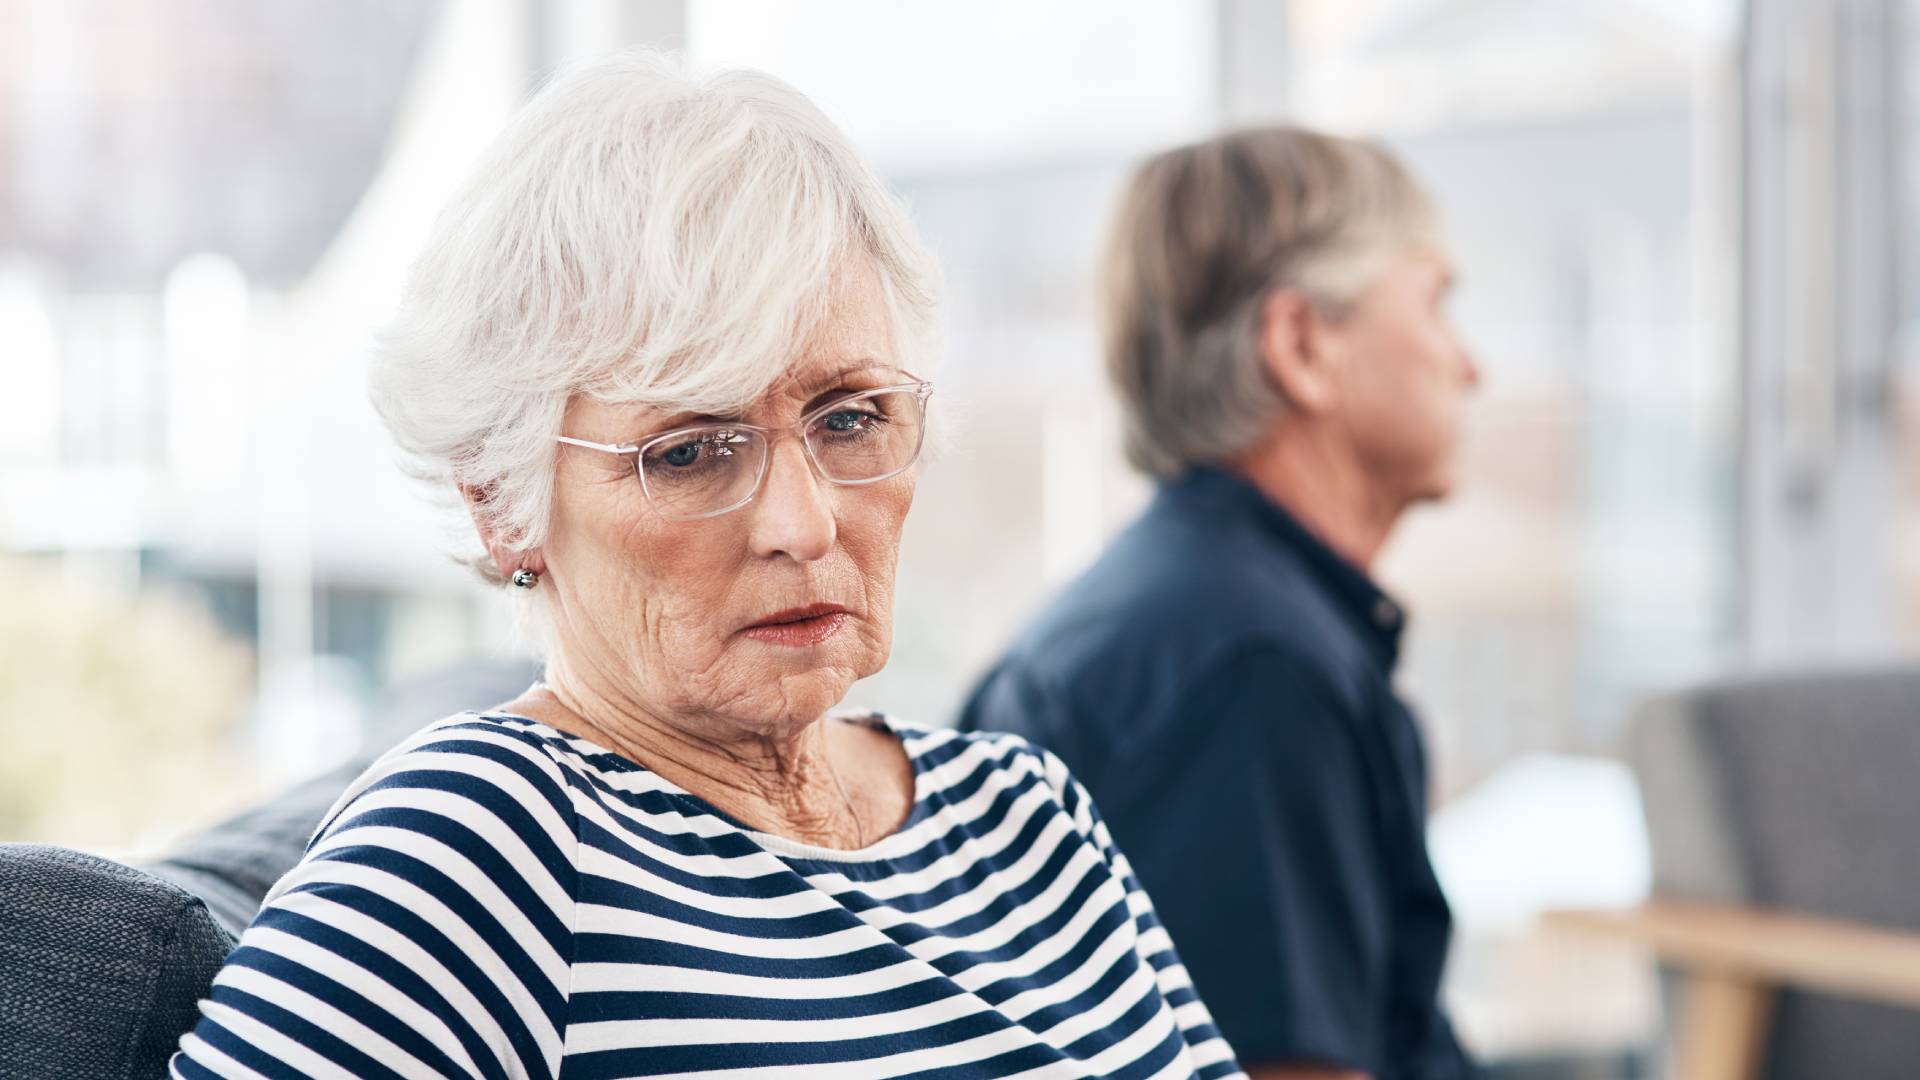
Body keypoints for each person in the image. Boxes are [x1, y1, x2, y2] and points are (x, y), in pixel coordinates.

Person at [170, 52, 1243, 1079]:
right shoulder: (481, 843)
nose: (806, 523)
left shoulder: (1027, 813)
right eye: (688, 451)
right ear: (503, 506)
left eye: (850, 416)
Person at [959, 127, 1481, 1080]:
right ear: (1301, 346)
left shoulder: (1193, 611)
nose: (1469, 364)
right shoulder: (1252, 673)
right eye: (1437, 305)